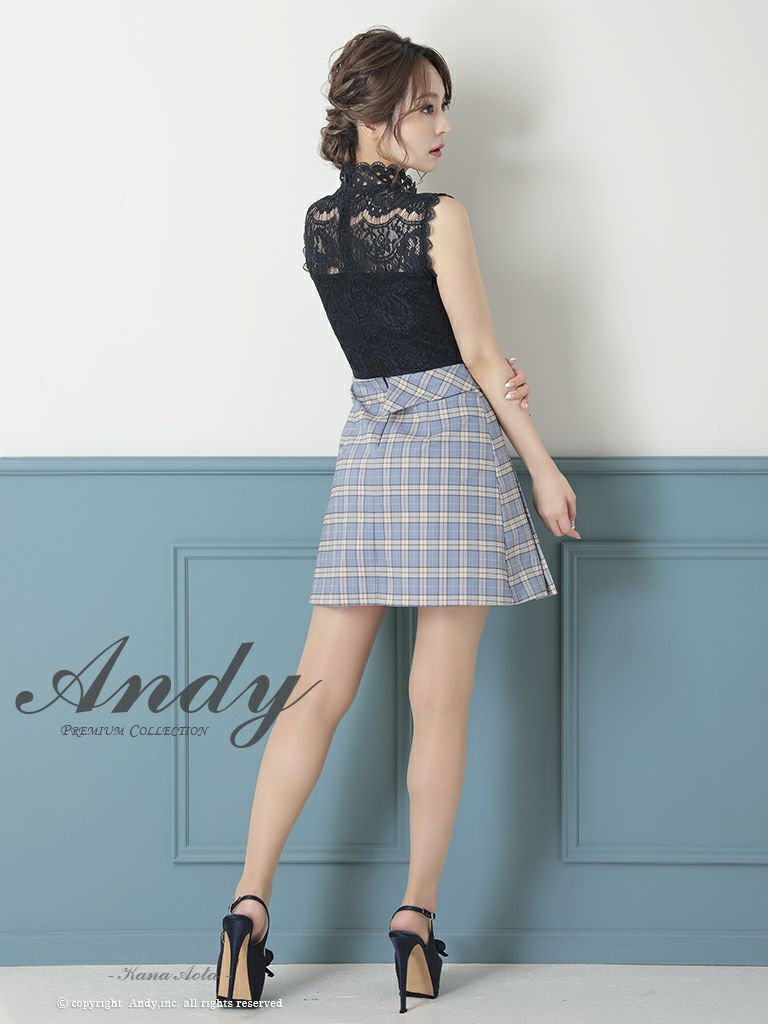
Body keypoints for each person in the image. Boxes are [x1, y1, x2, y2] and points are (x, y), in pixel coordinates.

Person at [215, 27, 580, 1013]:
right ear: (373, 117)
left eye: (440, 105)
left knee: (313, 695)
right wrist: (543, 467)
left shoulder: (318, 226)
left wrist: (488, 376)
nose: (441, 125)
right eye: (423, 107)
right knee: (441, 703)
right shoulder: (439, 218)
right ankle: (414, 923)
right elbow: (480, 360)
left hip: (372, 446)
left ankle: (247, 909)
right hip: (453, 450)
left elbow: (393, 340)